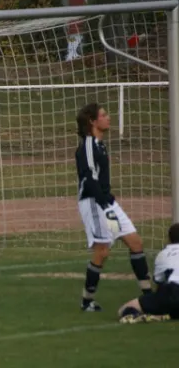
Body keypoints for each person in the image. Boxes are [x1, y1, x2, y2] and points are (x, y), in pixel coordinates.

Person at [75, 102, 152, 312]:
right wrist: (103, 204)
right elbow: (90, 179)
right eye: (104, 115)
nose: (108, 118)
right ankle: (87, 301)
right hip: (93, 202)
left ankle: (149, 296)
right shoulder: (89, 145)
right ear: (92, 121)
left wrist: (108, 202)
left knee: (134, 241)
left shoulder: (100, 144)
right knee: (102, 250)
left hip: (107, 202)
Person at [118, 223, 179, 323]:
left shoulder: (162, 254)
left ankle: (135, 315)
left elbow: (159, 282)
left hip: (171, 293)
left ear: (169, 239)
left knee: (124, 309)